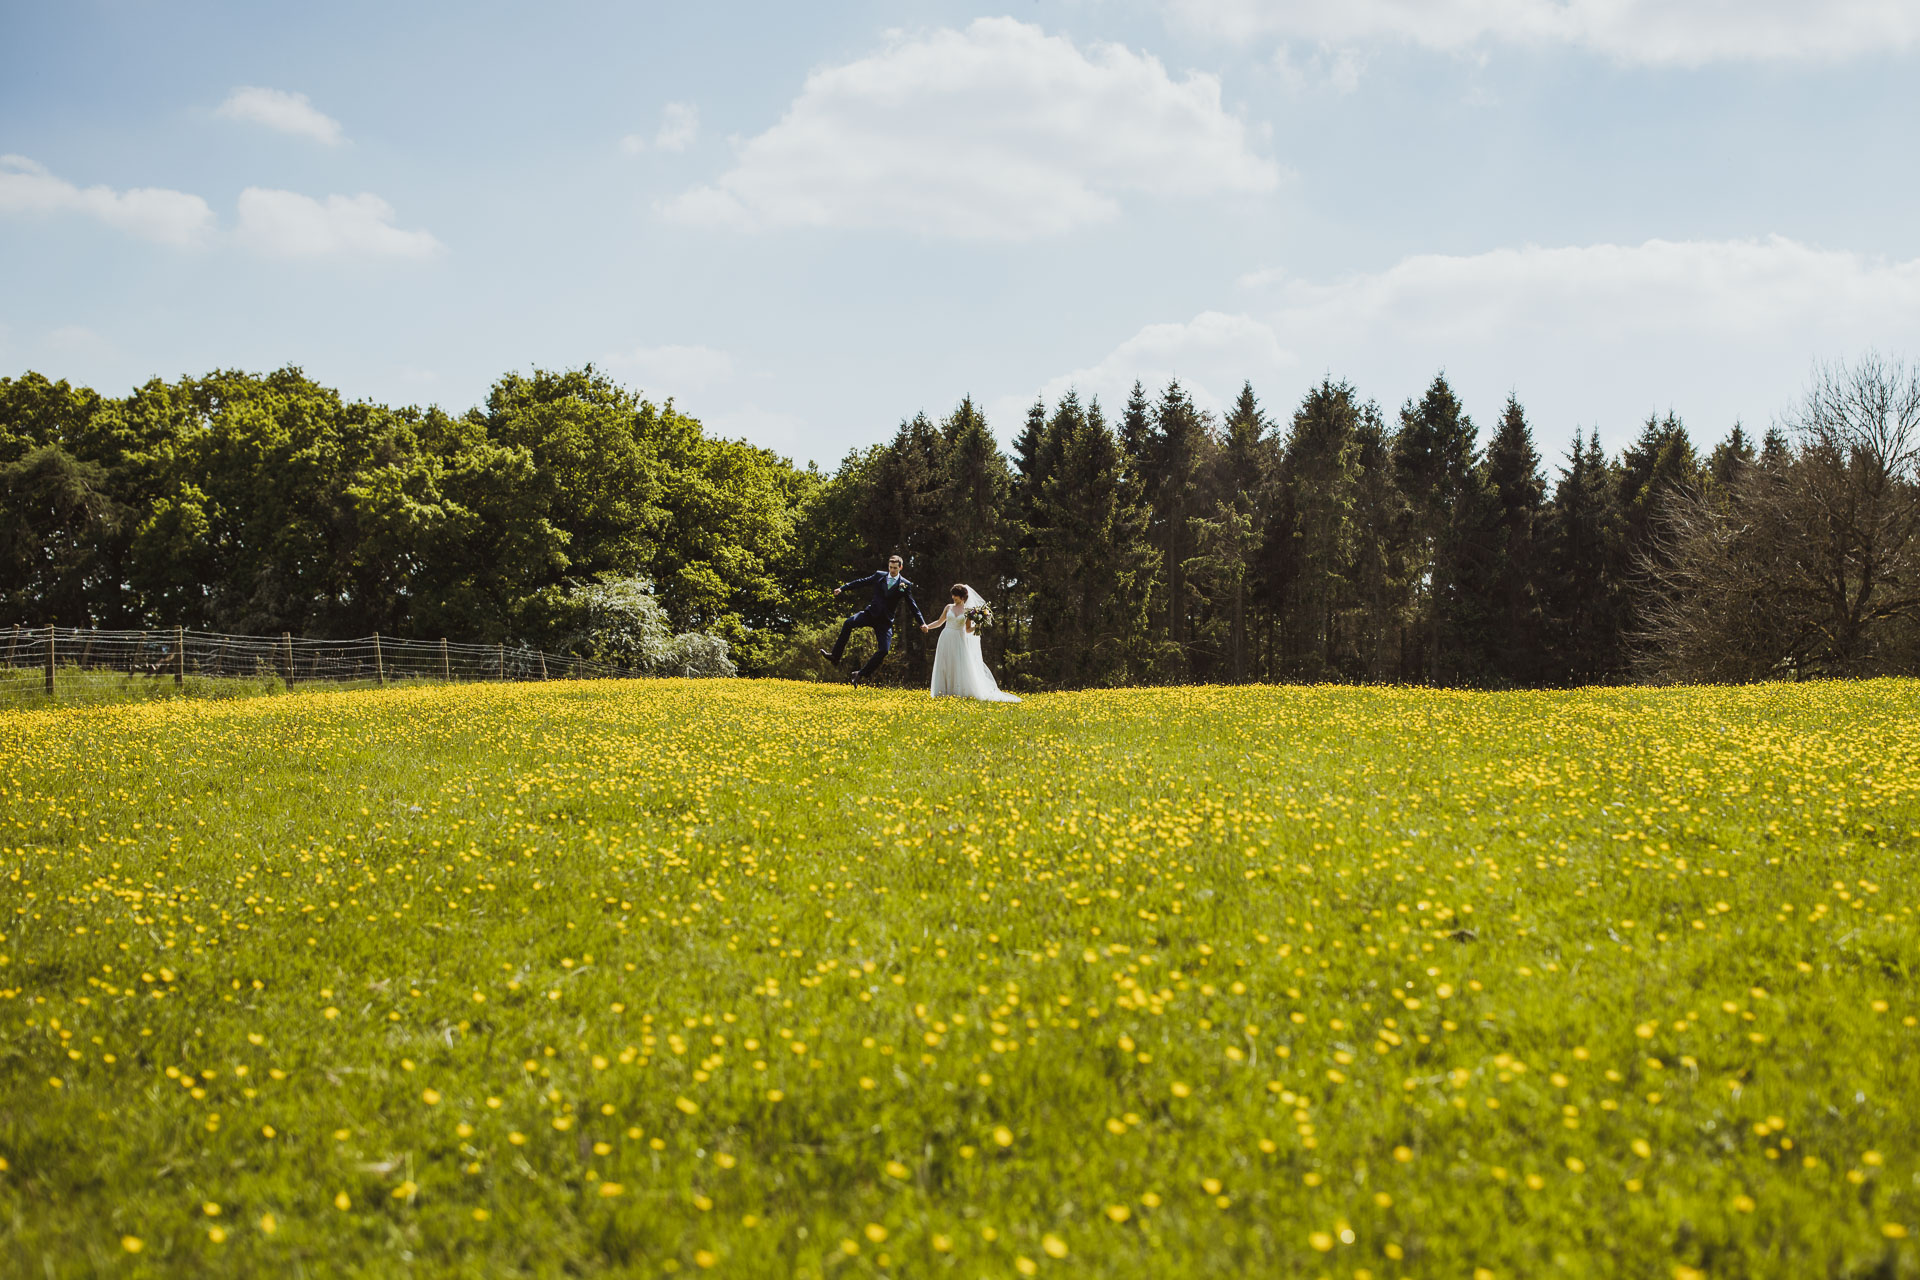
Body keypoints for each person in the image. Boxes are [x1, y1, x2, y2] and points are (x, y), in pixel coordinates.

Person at [821, 554, 925, 687]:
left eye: (894, 568)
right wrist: (843, 588)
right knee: (848, 623)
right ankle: (835, 656)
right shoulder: (879, 576)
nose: (892, 570)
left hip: (885, 621)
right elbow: (861, 582)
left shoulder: (905, 585)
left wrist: (922, 623)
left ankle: (860, 674)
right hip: (870, 614)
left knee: (884, 650)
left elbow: (913, 606)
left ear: (900, 568)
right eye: (890, 567)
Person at [922, 583, 1020, 702]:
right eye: (953, 595)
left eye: (956, 595)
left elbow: (968, 629)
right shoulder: (948, 607)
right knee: (945, 663)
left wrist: (977, 625)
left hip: (959, 638)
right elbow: (939, 622)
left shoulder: (969, 611)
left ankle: (958, 690)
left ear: (963, 597)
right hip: (946, 637)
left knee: (958, 664)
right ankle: (944, 691)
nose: (953, 597)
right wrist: (928, 626)